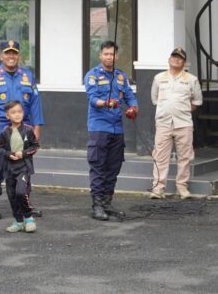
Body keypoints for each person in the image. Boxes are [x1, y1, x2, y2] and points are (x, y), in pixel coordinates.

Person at [0, 41, 43, 221]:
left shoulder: (27, 75)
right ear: (1, 56)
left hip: (23, 127)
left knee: (23, 165)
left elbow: (35, 103)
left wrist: (37, 127)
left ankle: (25, 204)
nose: (11, 56)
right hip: (0, 127)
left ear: (19, 56)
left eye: (14, 53)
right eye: (7, 53)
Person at [84, 40, 138, 221]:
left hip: (117, 129)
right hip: (99, 128)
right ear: (100, 55)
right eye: (106, 54)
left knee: (113, 167)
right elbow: (92, 98)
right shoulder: (92, 75)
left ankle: (107, 203)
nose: (109, 57)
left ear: (117, 56)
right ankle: (97, 206)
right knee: (98, 167)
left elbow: (129, 96)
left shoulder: (121, 76)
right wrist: (105, 103)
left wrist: (133, 108)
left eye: (112, 54)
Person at [149, 47, 203, 200]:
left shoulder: (191, 80)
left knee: (185, 157)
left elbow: (197, 101)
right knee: (160, 156)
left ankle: (182, 187)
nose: (176, 59)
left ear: (184, 62)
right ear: (169, 59)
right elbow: (155, 99)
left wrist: (181, 110)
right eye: (174, 56)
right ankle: (158, 188)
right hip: (163, 123)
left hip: (184, 124)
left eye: (180, 58)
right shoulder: (159, 78)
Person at [0, 101, 40, 234]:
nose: (17, 115)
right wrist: (9, 154)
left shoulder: (28, 130)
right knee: (12, 195)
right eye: (13, 112)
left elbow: (35, 146)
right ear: (7, 115)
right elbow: (0, 148)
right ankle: (18, 221)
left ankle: (29, 218)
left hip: (23, 168)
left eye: (20, 112)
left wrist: (24, 153)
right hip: (10, 169)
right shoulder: (4, 132)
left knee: (21, 192)